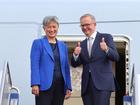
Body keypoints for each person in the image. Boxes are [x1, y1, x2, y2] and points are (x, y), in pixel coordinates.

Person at [71, 13, 119, 105]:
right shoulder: (82, 44)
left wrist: (106, 49)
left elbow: (116, 57)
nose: (85, 27)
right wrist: (75, 54)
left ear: (94, 24)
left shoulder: (106, 37)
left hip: (102, 84)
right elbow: (74, 64)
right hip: (87, 86)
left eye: (87, 24)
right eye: (82, 25)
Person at [30, 16, 72, 105]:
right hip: (44, 85)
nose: (52, 29)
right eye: (49, 27)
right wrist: (35, 83)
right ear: (44, 28)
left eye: (54, 27)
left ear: (57, 28)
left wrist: (68, 86)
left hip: (60, 86)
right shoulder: (38, 43)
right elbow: (34, 65)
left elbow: (66, 68)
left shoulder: (63, 45)